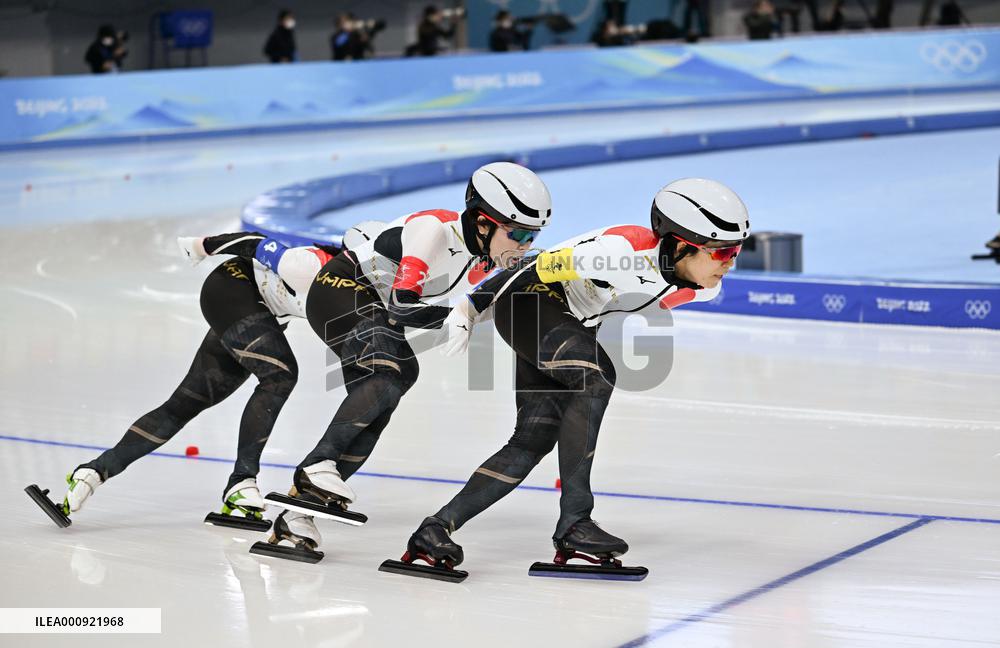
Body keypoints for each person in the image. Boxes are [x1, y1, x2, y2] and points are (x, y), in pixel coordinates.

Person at [382, 178, 750, 582]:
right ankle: (576, 521)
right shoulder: (621, 252)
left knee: (532, 439)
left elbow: (611, 305)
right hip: (529, 301)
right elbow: (531, 265)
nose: (730, 262)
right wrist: (470, 307)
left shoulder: (701, 290)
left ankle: (436, 529)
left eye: (736, 251)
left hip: (565, 321)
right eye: (723, 252)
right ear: (681, 244)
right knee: (597, 377)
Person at [189, 162, 554, 563]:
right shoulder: (433, 230)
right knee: (387, 374)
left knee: (395, 385)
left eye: (531, 236)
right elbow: (402, 306)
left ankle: (297, 516)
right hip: (341, 287)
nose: (523, 244)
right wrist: (455, 315)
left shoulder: (484, 256)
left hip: (369, 306)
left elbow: (493, 297)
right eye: (517, 233)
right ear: (483, 224)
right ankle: (315, 465)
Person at [26, 236, 340, 535]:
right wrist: (201, 245)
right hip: (233, 291)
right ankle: (242, 481)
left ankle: (94, 471)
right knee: (280, 375)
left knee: (185, 403)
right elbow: (254, 240)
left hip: (253, 310)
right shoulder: (311, 265)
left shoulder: (358, 293)